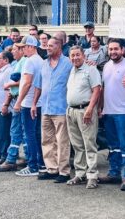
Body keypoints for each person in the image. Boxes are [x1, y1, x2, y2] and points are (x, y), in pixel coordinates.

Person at [99, 39, 125, 191]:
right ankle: (114, 173)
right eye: (110, 49)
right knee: (113, 146)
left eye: (116, 49)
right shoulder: (107, 66)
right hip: (108, 112)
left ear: (122, 50)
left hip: (123, 112)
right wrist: (101, 107)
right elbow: (103, 88)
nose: (113, 52)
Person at [33, 37, 73, 183]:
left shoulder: (68, 63)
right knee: (47, 140)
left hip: (61, 108)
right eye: (47, 46)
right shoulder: (44, 64)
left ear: (59, 47)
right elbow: (38, 85)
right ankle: (52, 169)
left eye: (51, 46)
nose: (47, 48)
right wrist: (34, 104)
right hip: (45, 108)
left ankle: (64, 172)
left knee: (62, 142)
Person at [65, 46, 102, 188]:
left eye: (77, 55)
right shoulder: (72, 71)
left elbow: (97, 90)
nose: (75, 58)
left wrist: (90, 109)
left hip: (85, 110)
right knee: (77, 145)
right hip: (72, 111)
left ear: (83, 56)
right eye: (72, 55)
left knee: (89, 144)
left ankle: (92, 176)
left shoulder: (90, 70)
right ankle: (80, 174)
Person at [12, 36, 45, 177]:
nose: (22, 49)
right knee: (36, 134)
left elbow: (26, 83)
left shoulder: (30, 62)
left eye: (24, 47)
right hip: (38, 103)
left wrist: (19, 101)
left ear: (31, 47)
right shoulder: (41, 61)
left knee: (29, 135)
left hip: (28, 103)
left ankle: (32, 166)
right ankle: (41, 163)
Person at [0, 40, 28, 171]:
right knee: (16, 131)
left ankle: (20, 158)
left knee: (20, 131)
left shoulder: (25, 62)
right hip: (16, 99)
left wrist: (10, 85)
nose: (12, 52)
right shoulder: (17, 63)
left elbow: (26, 81)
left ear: (22, 50)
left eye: (15, 49)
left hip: (22, 100)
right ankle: (14, 158)